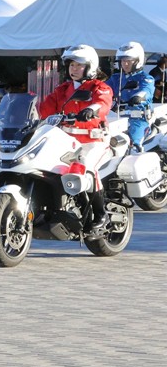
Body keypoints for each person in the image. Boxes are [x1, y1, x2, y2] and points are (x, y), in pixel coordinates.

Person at [39, 44, 113, 236]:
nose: (74, 69)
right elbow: (45, 108)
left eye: (79, 65)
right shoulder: (63, 89)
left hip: (93, 141)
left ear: (90, 66)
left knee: (86, 166)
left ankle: (101, 214)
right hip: (66, 141)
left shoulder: (99, 87)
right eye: (71, 65)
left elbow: (103, 103)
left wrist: (91, 109)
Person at [105, 41, 155, 151]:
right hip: (117, 118)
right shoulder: (116, 78)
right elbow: (103, 89)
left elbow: (147, 90)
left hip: (138, 119)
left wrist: (138, 96)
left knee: (134, 145)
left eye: (129, 60)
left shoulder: (145, 78)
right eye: (123, 61)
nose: (125, 64)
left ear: (138, 60)